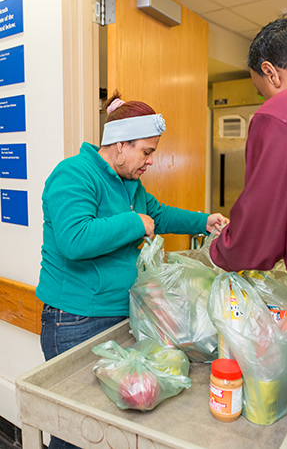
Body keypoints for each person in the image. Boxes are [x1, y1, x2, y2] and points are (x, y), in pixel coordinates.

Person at [36, 91, 229, 449]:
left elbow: (158, 214)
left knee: (105, 425)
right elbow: (74, 239)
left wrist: (205, 221)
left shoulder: (129, 183)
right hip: (76, 321)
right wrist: (134, 223)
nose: (150, 161)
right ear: (119, 145)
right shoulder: (73, 174)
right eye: (147, 151)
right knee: (75, 428)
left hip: (119, 316)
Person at [210, 17, 287, 292]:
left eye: (261, 92)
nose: (265, 101)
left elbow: (257, 235)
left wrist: (220, 249)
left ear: (270, 72)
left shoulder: (280, 113)